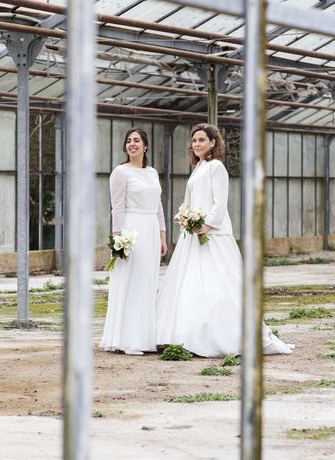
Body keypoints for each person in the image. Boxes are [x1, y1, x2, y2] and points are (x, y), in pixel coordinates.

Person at [156, 124, 294, 357]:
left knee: (218, 285)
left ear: (213, 143)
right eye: (194, 140)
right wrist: (186, 218)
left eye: (201, 140)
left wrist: (207, 224)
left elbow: (220, 202)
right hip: (193, 234)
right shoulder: (199, 166)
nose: (197, 144)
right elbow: (190, 199)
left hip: (213, 234)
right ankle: (184, 334)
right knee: (189, 285)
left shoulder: (216, 167)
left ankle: (223, 335)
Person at [100, 128, 168, 355]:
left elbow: (158, 205)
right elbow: (117, 206)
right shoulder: (120, 172)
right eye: (128, 141)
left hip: (150, 230)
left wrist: (162, 234)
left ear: (145, 146)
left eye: (137, 140)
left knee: (148, 282)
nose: (132, 144)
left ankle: (145, 338)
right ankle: (127, 340)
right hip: (132, 229)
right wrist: (117, 238)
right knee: (132, 281)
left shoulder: (152, 172)